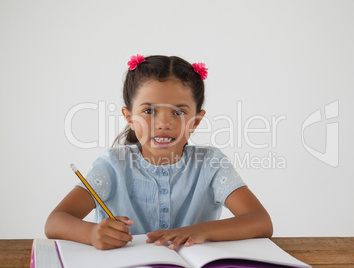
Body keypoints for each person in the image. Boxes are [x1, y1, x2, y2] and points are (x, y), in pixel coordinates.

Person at [45, 55, 273, 250]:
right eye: (149, 110)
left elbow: (261, 222)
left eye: (178, 112)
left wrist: (200, 230)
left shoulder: (210, 164)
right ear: (129, 118)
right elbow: (55, 222)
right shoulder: (113, 165)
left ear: (196, 120)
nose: (163, 123)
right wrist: (92, 234)